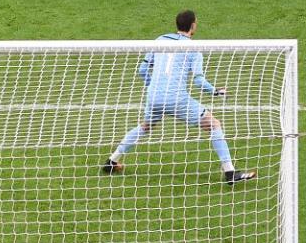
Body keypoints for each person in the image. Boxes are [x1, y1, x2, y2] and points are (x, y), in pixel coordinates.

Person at [102, 10, 256, 185]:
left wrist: (153, 87)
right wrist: (215, 91)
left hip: (153, 97)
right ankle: (230, 172)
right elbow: (198, 80)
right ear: (192, 26)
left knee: (145, 126)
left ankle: (112, 161)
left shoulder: (160, 40)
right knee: (214, 125)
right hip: (176, 99)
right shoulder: (193, 49)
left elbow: (142, 71)